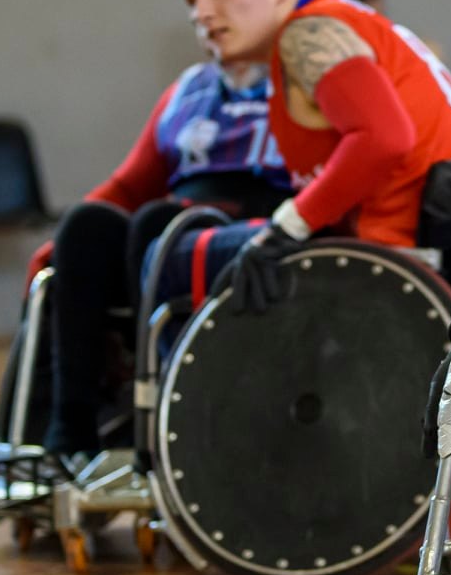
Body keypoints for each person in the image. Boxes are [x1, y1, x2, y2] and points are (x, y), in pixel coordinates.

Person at [172, 0, 451, 314]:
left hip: (393, 259)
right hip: (432, 242)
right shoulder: (340, 18)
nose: (200, 13)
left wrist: (287, 228)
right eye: (191, 0)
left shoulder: (306, 33)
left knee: (168, 253)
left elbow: (385, 138)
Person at [33, 44, 291, 464]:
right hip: (167, 226)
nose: (205, 16)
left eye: (221, 6)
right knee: (84, 225)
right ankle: (71, 427)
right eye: (195, 11)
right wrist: (58, 245)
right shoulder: (189, 89)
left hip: (251, 230)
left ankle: (156, 408)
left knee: (159, 224)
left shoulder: (305, 81)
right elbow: (127, 185)